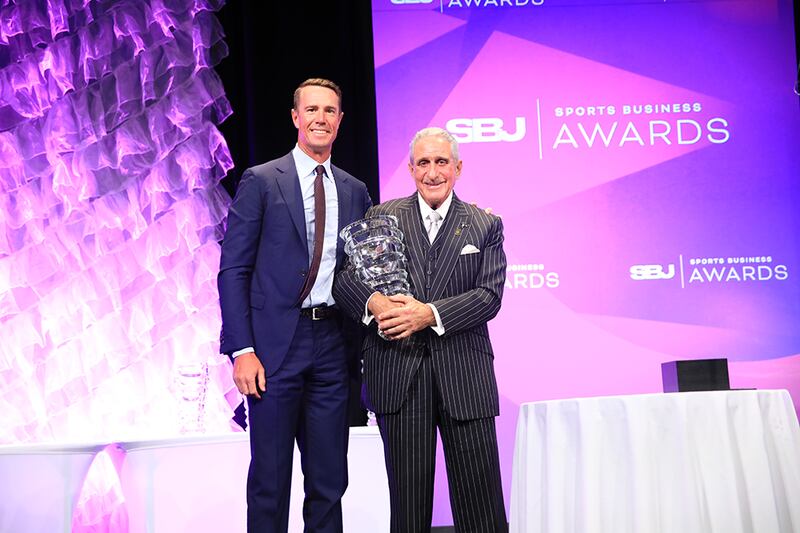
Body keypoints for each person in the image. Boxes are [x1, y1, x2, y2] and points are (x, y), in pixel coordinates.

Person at [334, 127, 508, 532]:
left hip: (465, 378)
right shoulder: (381, 217)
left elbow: (488, 297)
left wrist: (428, 314)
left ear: (458, 168)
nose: (433, 172)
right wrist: (375, 304)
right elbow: (344, 280)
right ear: (411, 169)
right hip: (399, 374)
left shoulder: (485, 224)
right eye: (423, 163)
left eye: (441, 162)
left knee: (482, 510)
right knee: (408, 511)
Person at [218, 78, 372, 533]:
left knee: (329, 481)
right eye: (312, 109)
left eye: (329, 111)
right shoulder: (262, 180)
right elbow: (233, 270)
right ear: (295, 117)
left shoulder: (355, 190)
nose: (320, 118)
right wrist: (242, 349)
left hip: (332, 345)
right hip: (272, 349)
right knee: (270, 480)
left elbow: (360, 270)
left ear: (340, 120)